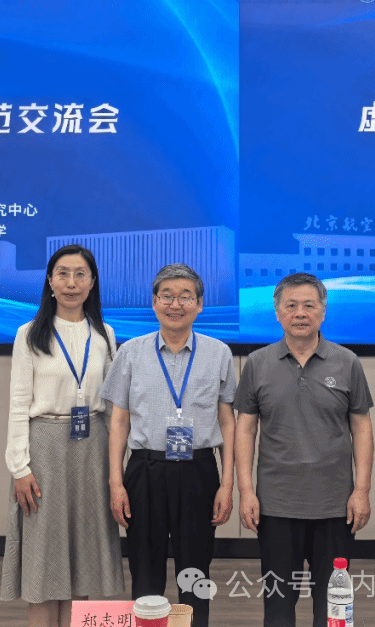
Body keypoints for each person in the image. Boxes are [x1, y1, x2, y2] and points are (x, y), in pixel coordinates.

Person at [100, 263, 236, 627]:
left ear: (200, 304)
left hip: (199, 470)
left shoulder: (219, 353)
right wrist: (116, 483)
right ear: (154, 302)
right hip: (145, 470)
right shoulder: (131, 352)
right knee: (145, 569)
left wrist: (227, 484)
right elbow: (119, 421)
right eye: (167, 296)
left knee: (196, 569)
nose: (176, 305)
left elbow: (227, 421)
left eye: (185, 297)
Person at [235, 273, 374, 627]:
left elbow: (361, 427)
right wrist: (246, 491)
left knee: (333, 605)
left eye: (309, 305)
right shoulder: (257, 363)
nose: (300, 313)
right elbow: (245, 429)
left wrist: (361, 490)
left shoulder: (347, 362)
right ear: (278, 313)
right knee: (278, 603)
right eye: (291, 305)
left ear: (323, 312)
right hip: (276, 504)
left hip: (335, 505)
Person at [0, 245, 124, 627]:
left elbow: (114, 406)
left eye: (80, 274)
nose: (72, 283)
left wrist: (117, 467)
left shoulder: (105, 334)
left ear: (92, 282)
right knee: (44, 566)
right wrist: (19, 467)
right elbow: (18, 403)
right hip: (45, 451)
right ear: (50, 282)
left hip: (92, 450)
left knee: (81, 565)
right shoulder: (29, 334)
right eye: (63, 274)